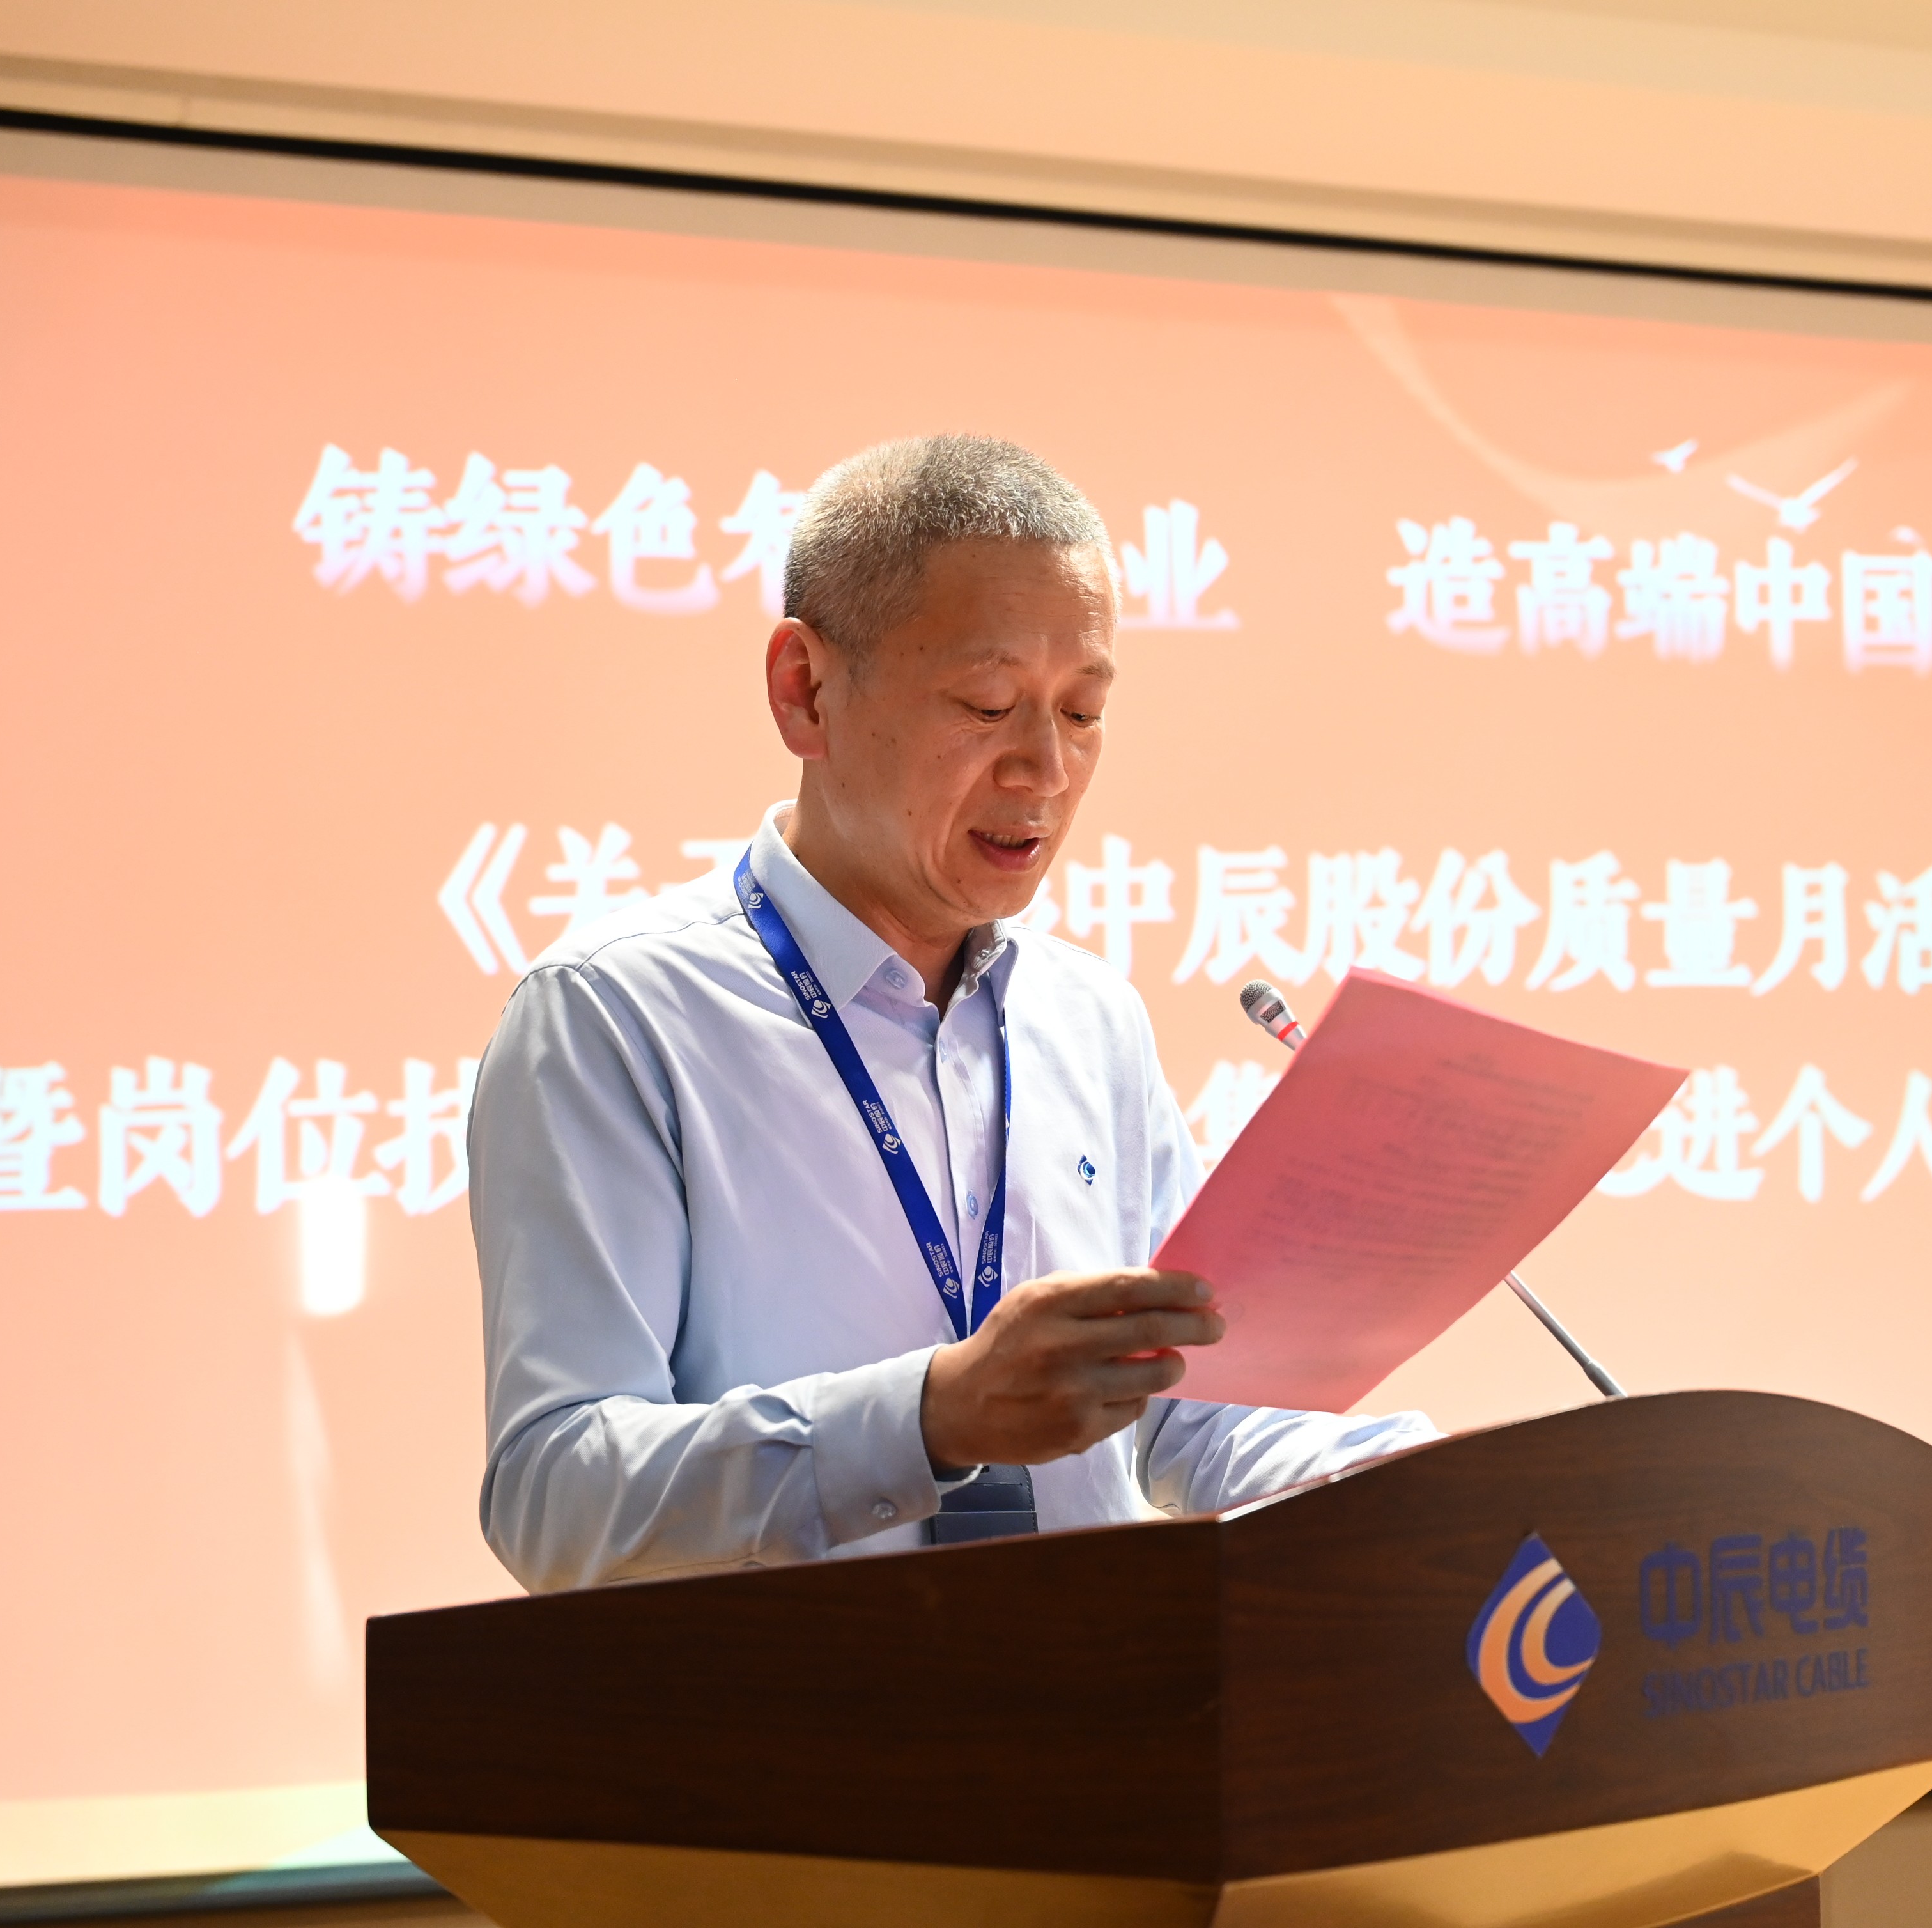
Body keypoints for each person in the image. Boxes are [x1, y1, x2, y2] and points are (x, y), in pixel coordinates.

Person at [470, 435, 1435, 1592]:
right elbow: (556, 1496)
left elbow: (1193, 1417)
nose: (1046, 770)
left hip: (1103, 1691)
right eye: (988, 705)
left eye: (1083, 712)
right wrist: (928, 1419)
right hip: (789, 1703)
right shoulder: (616, 1016)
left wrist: (1432, 1480)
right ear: (804, 689)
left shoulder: (1090, 1018)